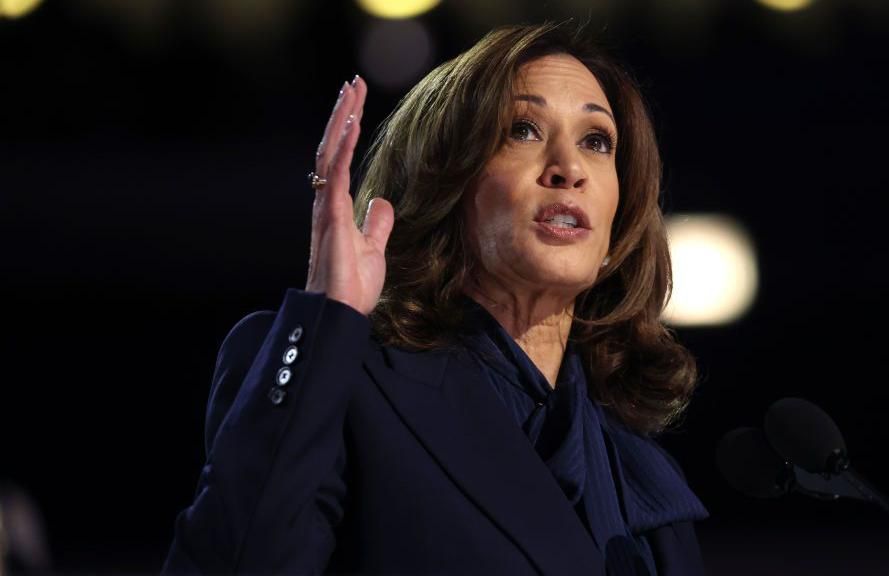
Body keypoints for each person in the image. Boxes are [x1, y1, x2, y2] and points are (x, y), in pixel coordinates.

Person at [163, 22, 708, 575]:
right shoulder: (339, 385)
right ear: (444, 185)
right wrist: (325, 321)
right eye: (522, 129)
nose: (569, 169)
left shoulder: (640, 472)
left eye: (597, 141)